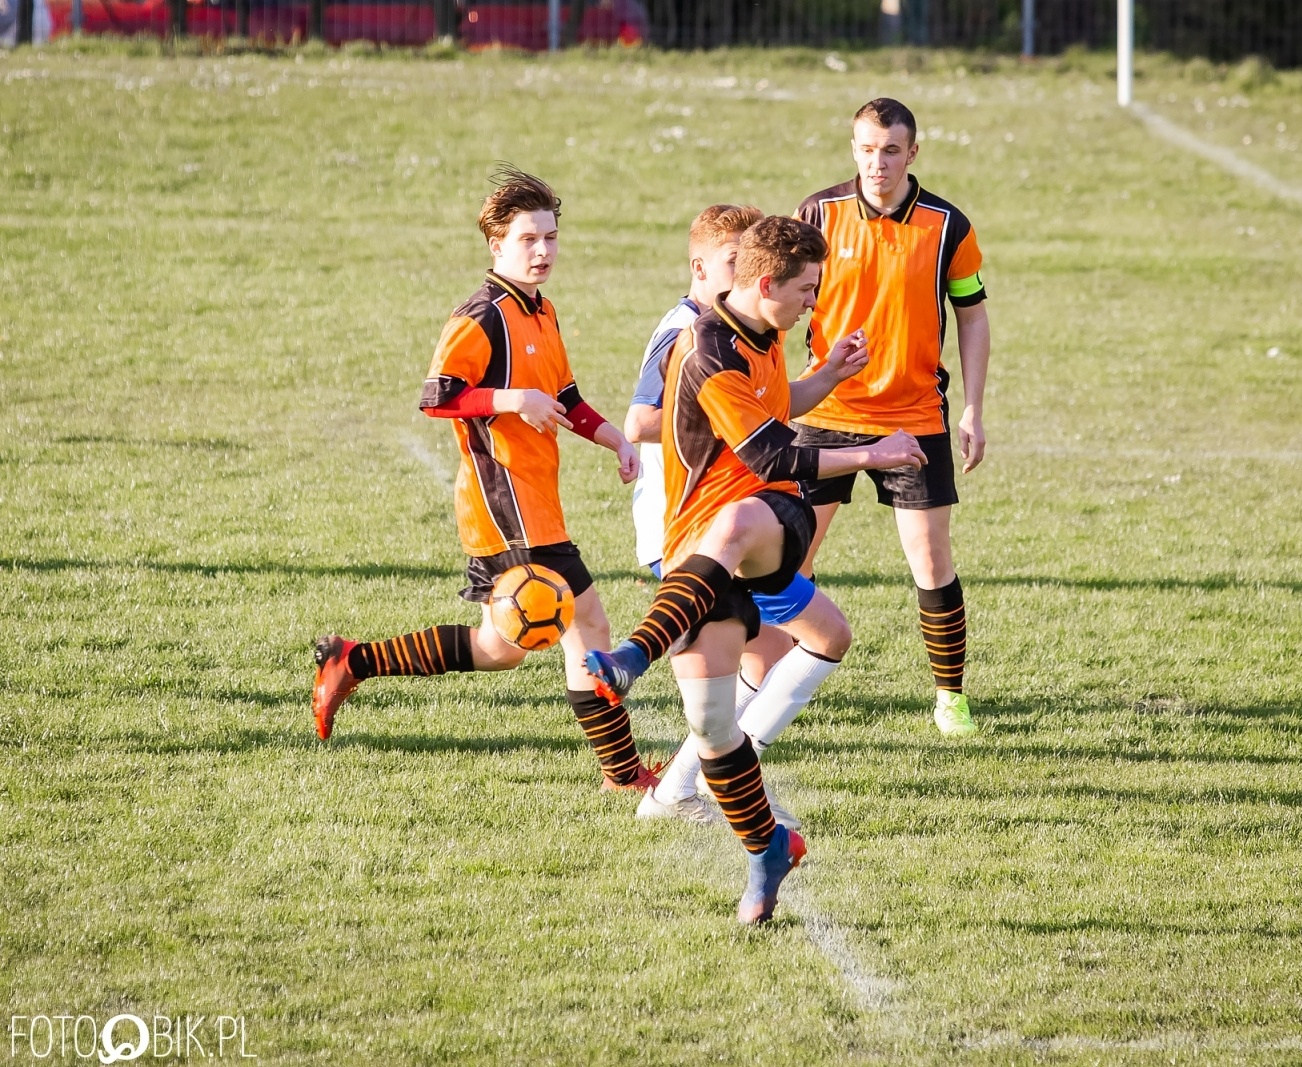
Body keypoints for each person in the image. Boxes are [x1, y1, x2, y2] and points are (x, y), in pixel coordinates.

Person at [590, 216, 925, 922]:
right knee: (713, 728)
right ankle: (767, 846)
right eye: (806, 290)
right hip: (699, 554)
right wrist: (872, 453)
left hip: (770, 519)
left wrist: (826, 376)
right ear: (765, 284)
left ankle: (631, 653)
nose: (813, 301)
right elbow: (773, 448)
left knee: (741, 521)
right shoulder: (709, 347)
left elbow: (771, 450)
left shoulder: (761, 332)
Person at [311, 165, 658, 795]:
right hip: (506, 506)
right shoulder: (481, 314)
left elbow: (564, 396)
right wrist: (508, 399)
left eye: (551, 238)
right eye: (529, 239)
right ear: (497, 244)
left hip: (535, 503)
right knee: (590, 629)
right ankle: (623, 773)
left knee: (503, 647)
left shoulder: (542, 310)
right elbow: (437, 396)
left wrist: (612, 438)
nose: (544, 251)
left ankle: (353, 659)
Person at [623, 204, 849, 830]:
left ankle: (689, 794)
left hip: (742, 520)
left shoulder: (755, 332)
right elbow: (643, 419)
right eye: (731, 263)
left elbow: (772, 410)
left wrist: (827, 374)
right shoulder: (692, 337)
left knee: (799, 646)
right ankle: (708, 795)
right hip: (699, 527)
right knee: (765, 663)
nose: (737, 277)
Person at [794, 97, 991, 738]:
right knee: (791, 559)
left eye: (890, 150)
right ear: (853, 148)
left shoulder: (947, 225)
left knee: (931, 564)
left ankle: (951, 699)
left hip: (913, 416)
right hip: (824, 409)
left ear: (913, 152)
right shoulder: (817, 215)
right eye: (865, 149)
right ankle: (781, 683)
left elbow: (972, 314)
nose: (876, 163)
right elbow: (776, 304)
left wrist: (973, 408)